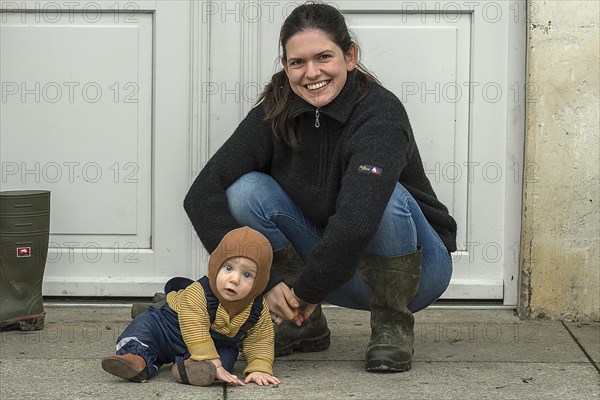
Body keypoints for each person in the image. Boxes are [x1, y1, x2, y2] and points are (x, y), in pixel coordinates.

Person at [183, 1, 457, 373]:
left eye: (324, 57)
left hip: (419, 271)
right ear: (285, 65)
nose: (312, 73)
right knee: (244, 190)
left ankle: (392, 324)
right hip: (332, 269)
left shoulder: (379, 113)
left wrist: (304, 291)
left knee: (385, 196)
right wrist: (266, 282)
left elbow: (358, 222)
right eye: (298, 62)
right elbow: (201, 193)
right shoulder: (276, 109)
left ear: (350, 56)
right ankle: (303, 325)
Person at [102, 227, 281, 386]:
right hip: (169, 327)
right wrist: (212, 359)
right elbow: (194, 325)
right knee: (145, 327)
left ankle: (191, 369)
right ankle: (135, 360)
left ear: (260, 282)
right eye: (228, 268)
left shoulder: (258, 309)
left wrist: (260, 368)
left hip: (214, 344)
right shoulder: (199, 292)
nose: (234, 279)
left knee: (225, 358)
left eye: (247, 274)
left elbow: (261, 339)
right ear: (215, 265)